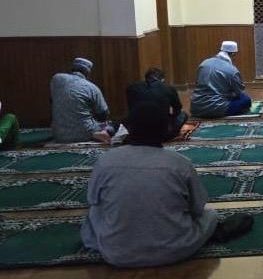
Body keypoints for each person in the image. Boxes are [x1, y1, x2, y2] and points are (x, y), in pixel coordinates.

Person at [81, 100, 253, 267]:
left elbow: (93, 201)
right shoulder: (180, 163)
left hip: (116, 254)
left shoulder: (106, 161)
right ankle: (211, 235)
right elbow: (197, 208)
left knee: (94, 213)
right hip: (175, 250)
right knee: (210, 215)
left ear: (129, 128)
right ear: (165, 130)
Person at [51, 58, 115, 143]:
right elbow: (104, 114)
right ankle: (97, 134)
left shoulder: (56, 79)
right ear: (87, 73)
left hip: (58, 135)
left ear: (72, 68)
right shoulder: (92, 87)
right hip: (83, 134)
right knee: (112, 125)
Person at [190, 41, 251, 118]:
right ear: (233, 54)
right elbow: (239, 92)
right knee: (246, 99)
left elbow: (197, 84)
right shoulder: (232, 70)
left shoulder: (203, 64)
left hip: (196, 108)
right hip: (217, 109)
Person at [126, 68, 188, 140]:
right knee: (182, 115)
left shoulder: (132, 88)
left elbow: (131, 110)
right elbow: (177, 109)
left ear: (146, 78)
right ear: (162, 80)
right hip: (162, 135)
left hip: (137, 135)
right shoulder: (168, 88)